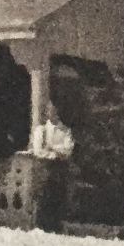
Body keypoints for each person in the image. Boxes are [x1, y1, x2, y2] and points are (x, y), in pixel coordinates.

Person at [31, 99, 75, 233]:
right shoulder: (41, 130)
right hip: (44, 170)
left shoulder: (65, 131)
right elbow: (38, 150)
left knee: (57, 198)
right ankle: (41, 226)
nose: (53, 113)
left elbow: (68, 150)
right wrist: (54, 154)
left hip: (58, 171)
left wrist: (52, 148)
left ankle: (55, 226)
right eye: (50, 110)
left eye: (55, 110)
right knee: (43, 198)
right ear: (46, 113)